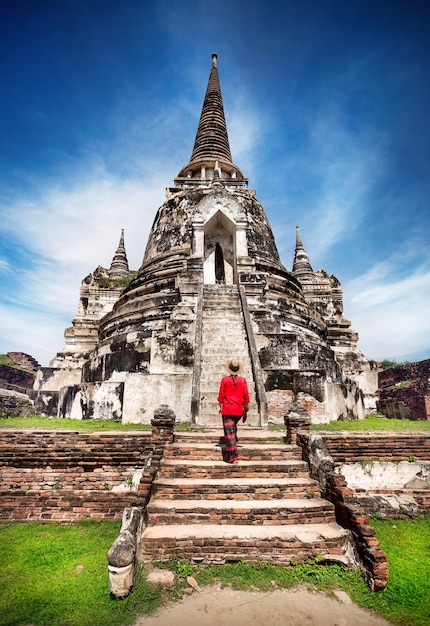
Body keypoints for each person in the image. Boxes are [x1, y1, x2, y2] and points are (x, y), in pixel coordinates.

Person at [218, 359, 250, 464]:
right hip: (238, 410)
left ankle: (233, 456)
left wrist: (221, 406)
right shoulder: (242, 380)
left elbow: (221, 396)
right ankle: (233, 445)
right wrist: (246, 406)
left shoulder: (225, 380)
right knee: (232, 429)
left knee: (229, 434)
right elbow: (246, 396)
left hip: (227, 409)